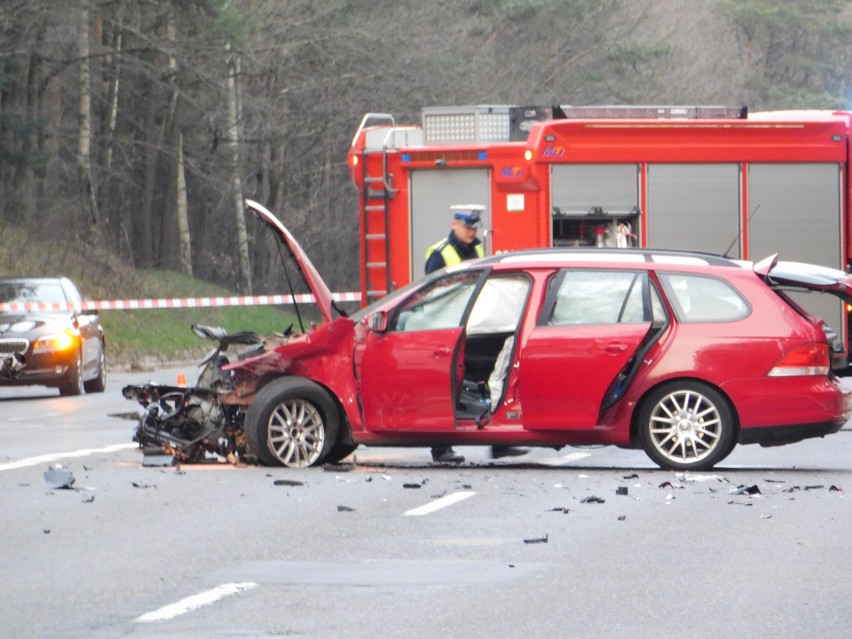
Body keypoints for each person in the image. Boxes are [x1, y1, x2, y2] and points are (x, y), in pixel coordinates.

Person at [424, 204, 526, 464]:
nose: (472, 232)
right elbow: (435, 293)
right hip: (450, 327)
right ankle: (441, 448)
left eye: (474, 227)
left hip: (477, 325)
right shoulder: (440, 254)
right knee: (449, 385)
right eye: (468, 227)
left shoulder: (477, 249)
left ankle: (498, 441)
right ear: (454, 224)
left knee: (488, 381)